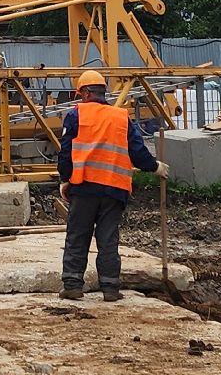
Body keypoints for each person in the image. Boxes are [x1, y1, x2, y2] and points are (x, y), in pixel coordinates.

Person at [56, 69, 168, 302]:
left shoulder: (76, 116)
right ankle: (110, 288)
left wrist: (65, 179)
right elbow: (137, 151)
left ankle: (73, 285)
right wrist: (154, 167)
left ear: (85, 93)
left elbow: (66, 152)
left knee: (77, 236)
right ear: (103, 92)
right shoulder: (120, 117)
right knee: (108, 239)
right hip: (114, 190)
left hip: (84, 187)